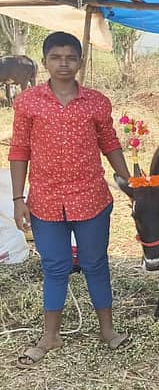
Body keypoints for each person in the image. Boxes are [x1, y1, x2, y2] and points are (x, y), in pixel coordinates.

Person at [9, 31, 133, 368]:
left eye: (71, 58)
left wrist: (128, 182)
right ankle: (51, 336)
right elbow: (20, 150)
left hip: (91, 196)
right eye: (56, 57)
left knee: (95, 263)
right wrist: (18, 199)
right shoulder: (28, 102)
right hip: (45, 200)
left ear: (81, 61)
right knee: (54, 266)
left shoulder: (96, 102)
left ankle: (107, 331)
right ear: (45, 61)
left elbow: (109, 142)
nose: (64, 64)